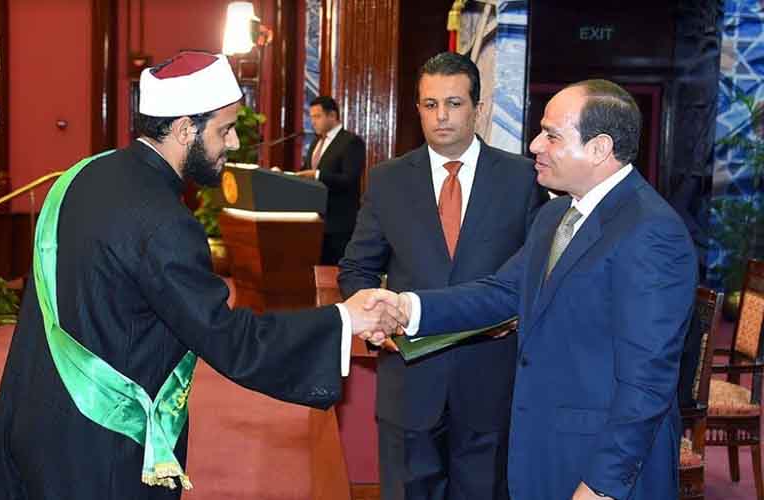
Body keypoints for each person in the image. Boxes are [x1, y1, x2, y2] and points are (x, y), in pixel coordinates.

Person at [0, 51, 399, 500]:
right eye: (224, 129)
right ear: (184, 129)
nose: (233, 143)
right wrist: (347, 319)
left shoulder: (82, 176)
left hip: (33, 414)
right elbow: (230, 339)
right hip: (101, 451)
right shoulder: (165, 223)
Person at [373, 80, 698, 500]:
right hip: (542, 449)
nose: (534, 145)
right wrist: (405, 307)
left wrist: (603, 485)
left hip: (600, 466)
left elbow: (648, 381)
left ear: (599, 148)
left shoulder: (651, 231)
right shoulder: (555, 214)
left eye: (551, 135)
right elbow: (501, 292)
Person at [338, 52, 547, 500]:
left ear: (478, 108)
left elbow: (538, 272)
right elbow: (357, 268)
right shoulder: (388, 180)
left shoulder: (522, 178)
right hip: (410, 382)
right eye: (430, 105)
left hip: (491, 383)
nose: (441, 116)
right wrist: (375, 322)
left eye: (454, 103)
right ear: (418, 109)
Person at [297, 96, 366, 264]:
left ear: (332, 116)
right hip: (315, 222)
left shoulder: (351, 142)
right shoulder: (316, 142)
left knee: (333, 272)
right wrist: (288, 176)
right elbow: (306, 171)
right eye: (311, 117)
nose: (313, 122)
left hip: (339, 224)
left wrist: (318, 175)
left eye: (317, 116)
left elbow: (349, 179)